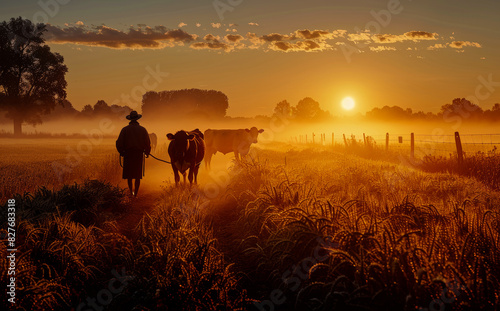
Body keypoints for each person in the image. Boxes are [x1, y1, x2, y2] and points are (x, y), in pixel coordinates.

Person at [116, 111, 151, 197]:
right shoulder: (143, 130)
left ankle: (131, 191)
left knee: (129, 175)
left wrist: (122, 152)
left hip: (128, 154)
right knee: (137, 175)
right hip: (138, 154)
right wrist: (147, 152)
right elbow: (147, 143)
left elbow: (119, 143)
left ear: (130, 119)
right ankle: (136, 194)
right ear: (137, 119)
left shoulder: (124, 129)